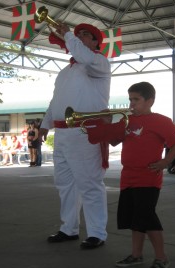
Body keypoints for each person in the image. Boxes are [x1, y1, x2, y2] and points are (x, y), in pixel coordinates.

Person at [94, 82, 175, 268]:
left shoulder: (161, 121)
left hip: (148, 176)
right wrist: (107, 123)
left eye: (136, 99)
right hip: (128, 176)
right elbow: (113, 141)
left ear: (150, 100)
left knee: (147, 217)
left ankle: (161, 258)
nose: (132, 104)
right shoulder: (127, 121)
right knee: (135, 219)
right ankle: (136, 255)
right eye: (130, 99)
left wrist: (165, 162)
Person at [38, 22, 111, 249]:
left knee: (89, 183)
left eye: (85, 35)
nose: (79, 38)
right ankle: (68, 228)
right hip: (62, 133)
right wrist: (45, 124)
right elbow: (55, 101)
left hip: (84, 131)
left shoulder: (98, 62)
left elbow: (84, 56)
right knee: (65, 184)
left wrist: (69, 34)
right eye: (77, 35)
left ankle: (97, 233)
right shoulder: (65, 72)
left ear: (96, 42)